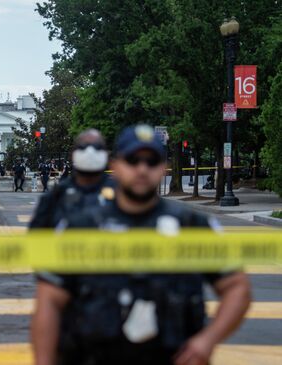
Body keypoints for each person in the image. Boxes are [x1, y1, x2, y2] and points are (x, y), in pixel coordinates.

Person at [31, 125, 251, 365]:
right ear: (115, 165)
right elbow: (49, 303)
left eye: (152, 161)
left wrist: (208, 340)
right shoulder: (80, 228)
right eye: (133, 160)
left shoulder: (191, 226)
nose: (142, 169)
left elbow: (237, 287)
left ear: (163, 167)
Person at [30, 129, 114, 229]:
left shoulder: (121, 193)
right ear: (73, 154)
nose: (90, 152)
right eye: (83, 147)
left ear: (106, 154)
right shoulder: (56, 196)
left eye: (97, 147)